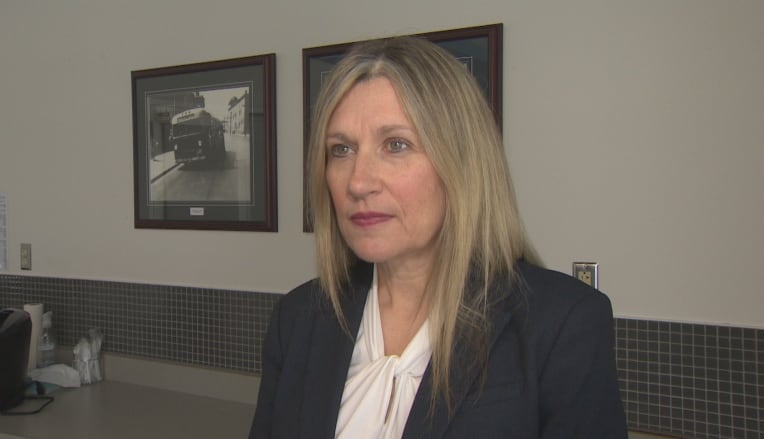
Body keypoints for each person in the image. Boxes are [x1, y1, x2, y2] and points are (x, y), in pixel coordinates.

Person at [249, 36, 627, 438]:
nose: (358, 182)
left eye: (396, 145)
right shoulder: (299, 319)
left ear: (461, 163)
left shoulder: (561, 325)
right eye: (341, 150)